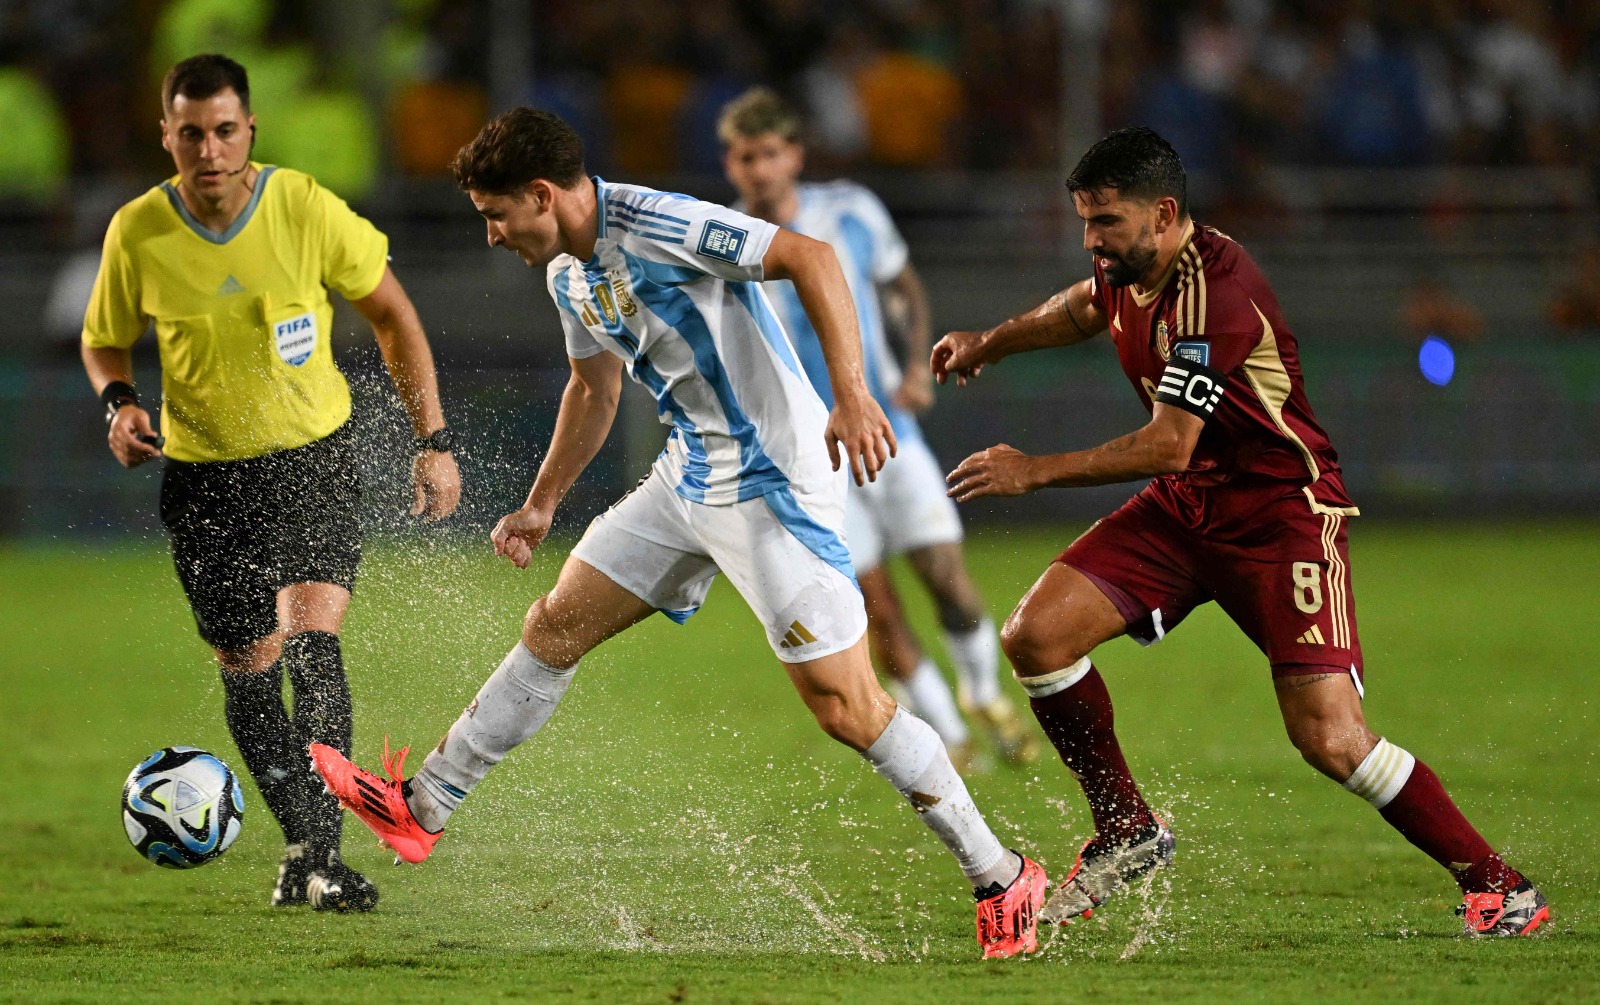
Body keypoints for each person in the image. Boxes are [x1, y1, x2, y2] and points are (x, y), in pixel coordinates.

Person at [310, 107, 1047, 958]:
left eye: (495, 214)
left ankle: (1002, 875)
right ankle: (424, 804)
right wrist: (544, 502)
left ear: (542, 195)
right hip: (689, 475)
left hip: (775, 481)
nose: (490, 236)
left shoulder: (657, 223)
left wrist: (851, 393)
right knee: (554, 625)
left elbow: (811, 257)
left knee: (848, 707)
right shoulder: (567, 275)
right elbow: (593, 390)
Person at [932, 126, 1548, 938]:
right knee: (1037, 636)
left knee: (1330, 738)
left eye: (1105, 222)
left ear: (1163, 212)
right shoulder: (1128, 264)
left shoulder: (1213, 293)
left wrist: (1032, 470)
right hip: (1188, 507)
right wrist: (993, 342)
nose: (1092, 241)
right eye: (1084, 222)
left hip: (1280, 516)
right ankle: (1126, 829)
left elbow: (1167, 442)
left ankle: (1502, 889)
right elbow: (1083, 306)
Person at [81, 54, 462, 912]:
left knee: (314, 638)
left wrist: (431, 439)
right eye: (190, 134)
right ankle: (302, 849)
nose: (208, 150)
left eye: (224, 131)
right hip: (205, 478)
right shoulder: (138, 231)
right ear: (167, 137)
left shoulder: (302, 207)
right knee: (249, 668)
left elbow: (394, 313)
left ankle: (324, 860)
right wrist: (119, 403)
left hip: (310, 459)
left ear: (250, 130)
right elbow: (104, 338)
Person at [717, 87, 1037, 769]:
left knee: (947, 578)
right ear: (732, 165)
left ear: (794, 155)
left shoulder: (852, 211)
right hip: (810, 458)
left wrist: (918, 368)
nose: (761, 170)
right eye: (747, 158)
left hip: (892, 433)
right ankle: (950, 737)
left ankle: (984, 694)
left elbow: (902, 284)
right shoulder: (726, 245)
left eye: (771, 153)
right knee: (878, 612)